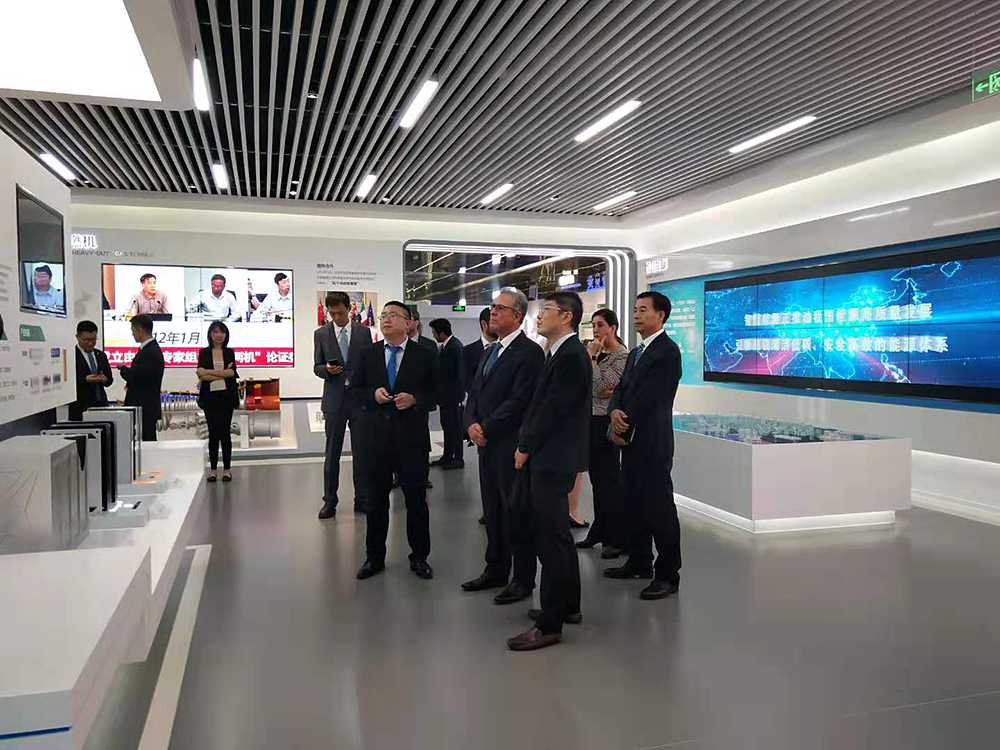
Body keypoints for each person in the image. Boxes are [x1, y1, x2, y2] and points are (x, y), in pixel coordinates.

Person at [507, 291, 590, 652]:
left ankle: (550, 624)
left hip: (552, 459)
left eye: (547, 311)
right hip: (552, 457)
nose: (539, 317)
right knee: (557, 537)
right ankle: (568, 604)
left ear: (567, 317)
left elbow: (552, 411)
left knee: (551, 539)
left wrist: (524, 447)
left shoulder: (570, 356)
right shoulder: (559, 353)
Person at [461, 288, 545, 604]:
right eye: (492, 307)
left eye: (500, 308)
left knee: (517, 512)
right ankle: (495, 568)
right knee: (493, 510)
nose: (493, 312)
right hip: (486, 445)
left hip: (510, 446)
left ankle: (522, 579)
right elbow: (474, 394)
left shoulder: (529, 353)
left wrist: (486, 427)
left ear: (518, 315)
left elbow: (520, 400)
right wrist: (470, 423)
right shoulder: (490, 351)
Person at [605, 291, 683, 601]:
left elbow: (653, 397)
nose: (636, 315)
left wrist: (624, 421)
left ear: (660, 315)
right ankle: (639, 562)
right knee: (633, 503)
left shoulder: (667, 351)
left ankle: (668, 574)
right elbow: (621, 389)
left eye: (643, 310)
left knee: (659, 509)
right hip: (631, 441)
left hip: (652, 442)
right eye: (635, 310)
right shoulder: (636, 351)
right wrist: (614, 410)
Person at [351, 301, 436, 581]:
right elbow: (355, 391)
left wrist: (415, 399)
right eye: (384, 315)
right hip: (376, 440)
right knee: (376, 501)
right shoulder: (368, 354)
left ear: (408, 322)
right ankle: (374, 557)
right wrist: (372, 396)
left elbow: (438, 392)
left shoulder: (425, 354)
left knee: (416, 501)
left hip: (412, 440)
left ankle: (419, 557)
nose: (386, 319)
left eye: (393, 315)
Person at [314, 291, 374, 519]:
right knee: (332, 454)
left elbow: (369, 365)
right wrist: (326, 370)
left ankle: (362, 499)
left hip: (359, 401)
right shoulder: (321, 334)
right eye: (332, 313)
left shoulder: (363, 332)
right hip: (334, 401)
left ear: (349, 309)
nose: (336, 317)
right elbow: (317, 366)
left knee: (361, 453)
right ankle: (329, 501)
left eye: (340, 312)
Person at [576, 309, 629, 558]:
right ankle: (599, 530)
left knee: (609, 482)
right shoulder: (598, 354)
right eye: (594, 325)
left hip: (606, 422)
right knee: (598, 481)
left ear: (613, 328)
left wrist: (593, 359)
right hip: (589, 420)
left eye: (600, 325)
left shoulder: (621, 356)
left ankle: (615, 537)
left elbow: (601, 386)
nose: (596, 330)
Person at [196, 321, 239, 482]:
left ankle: (227, 470)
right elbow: (201, 375)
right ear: (210, 334)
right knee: (213, 434)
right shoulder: (204, 353)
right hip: (210, 399)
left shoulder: (229, 352)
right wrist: (221, 372)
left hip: (227, 398)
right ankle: (213, 470)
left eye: (222, 332)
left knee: (225, 433)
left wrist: (209, 372)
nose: (219, 335)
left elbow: (232, 373)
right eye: (215, 332)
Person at [118, 314, 165, 442]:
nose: (132, 334)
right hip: (145, 406)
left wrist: (123, 369)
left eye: (133, 330)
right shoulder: (148, 349)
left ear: (140, 330)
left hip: (145, 407)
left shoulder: (150, 352)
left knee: (146, 442)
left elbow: (137, 377)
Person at [429, 318, 465, 470]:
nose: (433, 335)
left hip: (453, 398)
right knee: (447, 427)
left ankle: (457, 459)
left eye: (434, 332)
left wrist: (459, 397)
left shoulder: (454, 347)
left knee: (455, 429)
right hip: (445, 398)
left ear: (442, 333)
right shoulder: (446, 346)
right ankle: (447, 456)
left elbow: (459, 373)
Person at [70, 320, 112, 420]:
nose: (90, 343)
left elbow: (109, 380)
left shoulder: (101, 355)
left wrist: (104, 379)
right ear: (77, 337)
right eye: (86, 340)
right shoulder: (71, 355)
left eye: (93, 339)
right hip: (80, 407)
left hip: (101, 405)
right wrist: (85, 379)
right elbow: (67, 382)